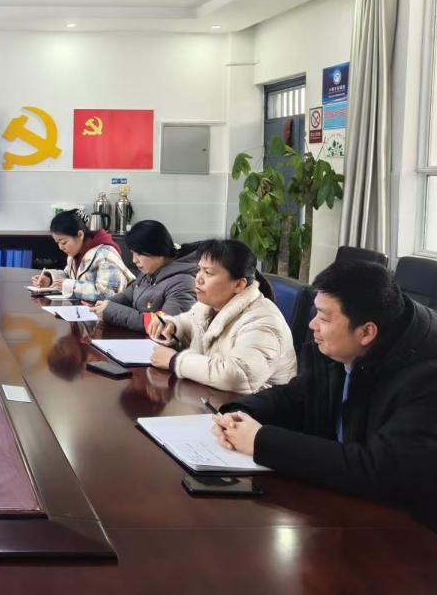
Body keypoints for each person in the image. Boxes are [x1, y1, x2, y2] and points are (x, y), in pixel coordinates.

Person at [213, 261, 437, 531]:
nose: (312, 325)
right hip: (344, 509)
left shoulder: (425, 379)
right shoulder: (344, 346)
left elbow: (378, 471)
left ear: (366, 332)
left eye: (324, 318)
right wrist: (240, 412)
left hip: (410, 532)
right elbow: (298, 396)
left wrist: (261, 441)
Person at [147, 239, 295, 394]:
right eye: (199, 270)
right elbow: (189, 323)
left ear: (239, 285)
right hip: (215, 397)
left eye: (208, 273)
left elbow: (238, 376)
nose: (198, 278)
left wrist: (175, 361)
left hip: (255, 406)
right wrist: (172, 326)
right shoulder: (210, 304)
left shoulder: (263, 320)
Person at [89, 221, 198, 330]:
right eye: (133, 253)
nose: (134, 260)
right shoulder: (149, 272)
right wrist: (106, 304)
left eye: (139, 254)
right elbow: (127, 297)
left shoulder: (183, 282)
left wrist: (111, 311)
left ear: (158, 250)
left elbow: (165, 324)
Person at [30, 210, 134, 301]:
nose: (60, 247)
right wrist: (49, 280)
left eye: (64, 242)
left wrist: (70, 286)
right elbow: (68, 276)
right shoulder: (75, 253)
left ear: (80, 235)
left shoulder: (105, 254)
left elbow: (110, 293)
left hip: (107, 315)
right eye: (58, 243)